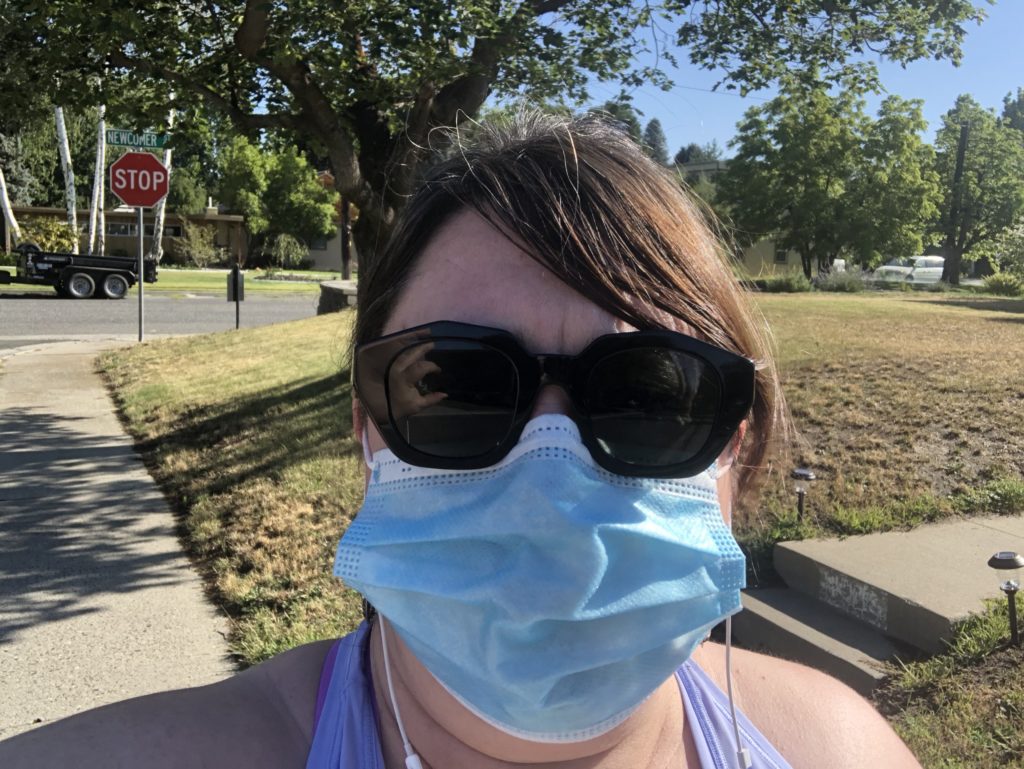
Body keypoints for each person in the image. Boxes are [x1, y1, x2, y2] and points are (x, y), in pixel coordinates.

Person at [0, 112, 921, 769]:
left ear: (738, 451)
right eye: (456, 385)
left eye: (649, 395)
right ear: (368, 431)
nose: (549, 466)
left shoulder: (836, 748)